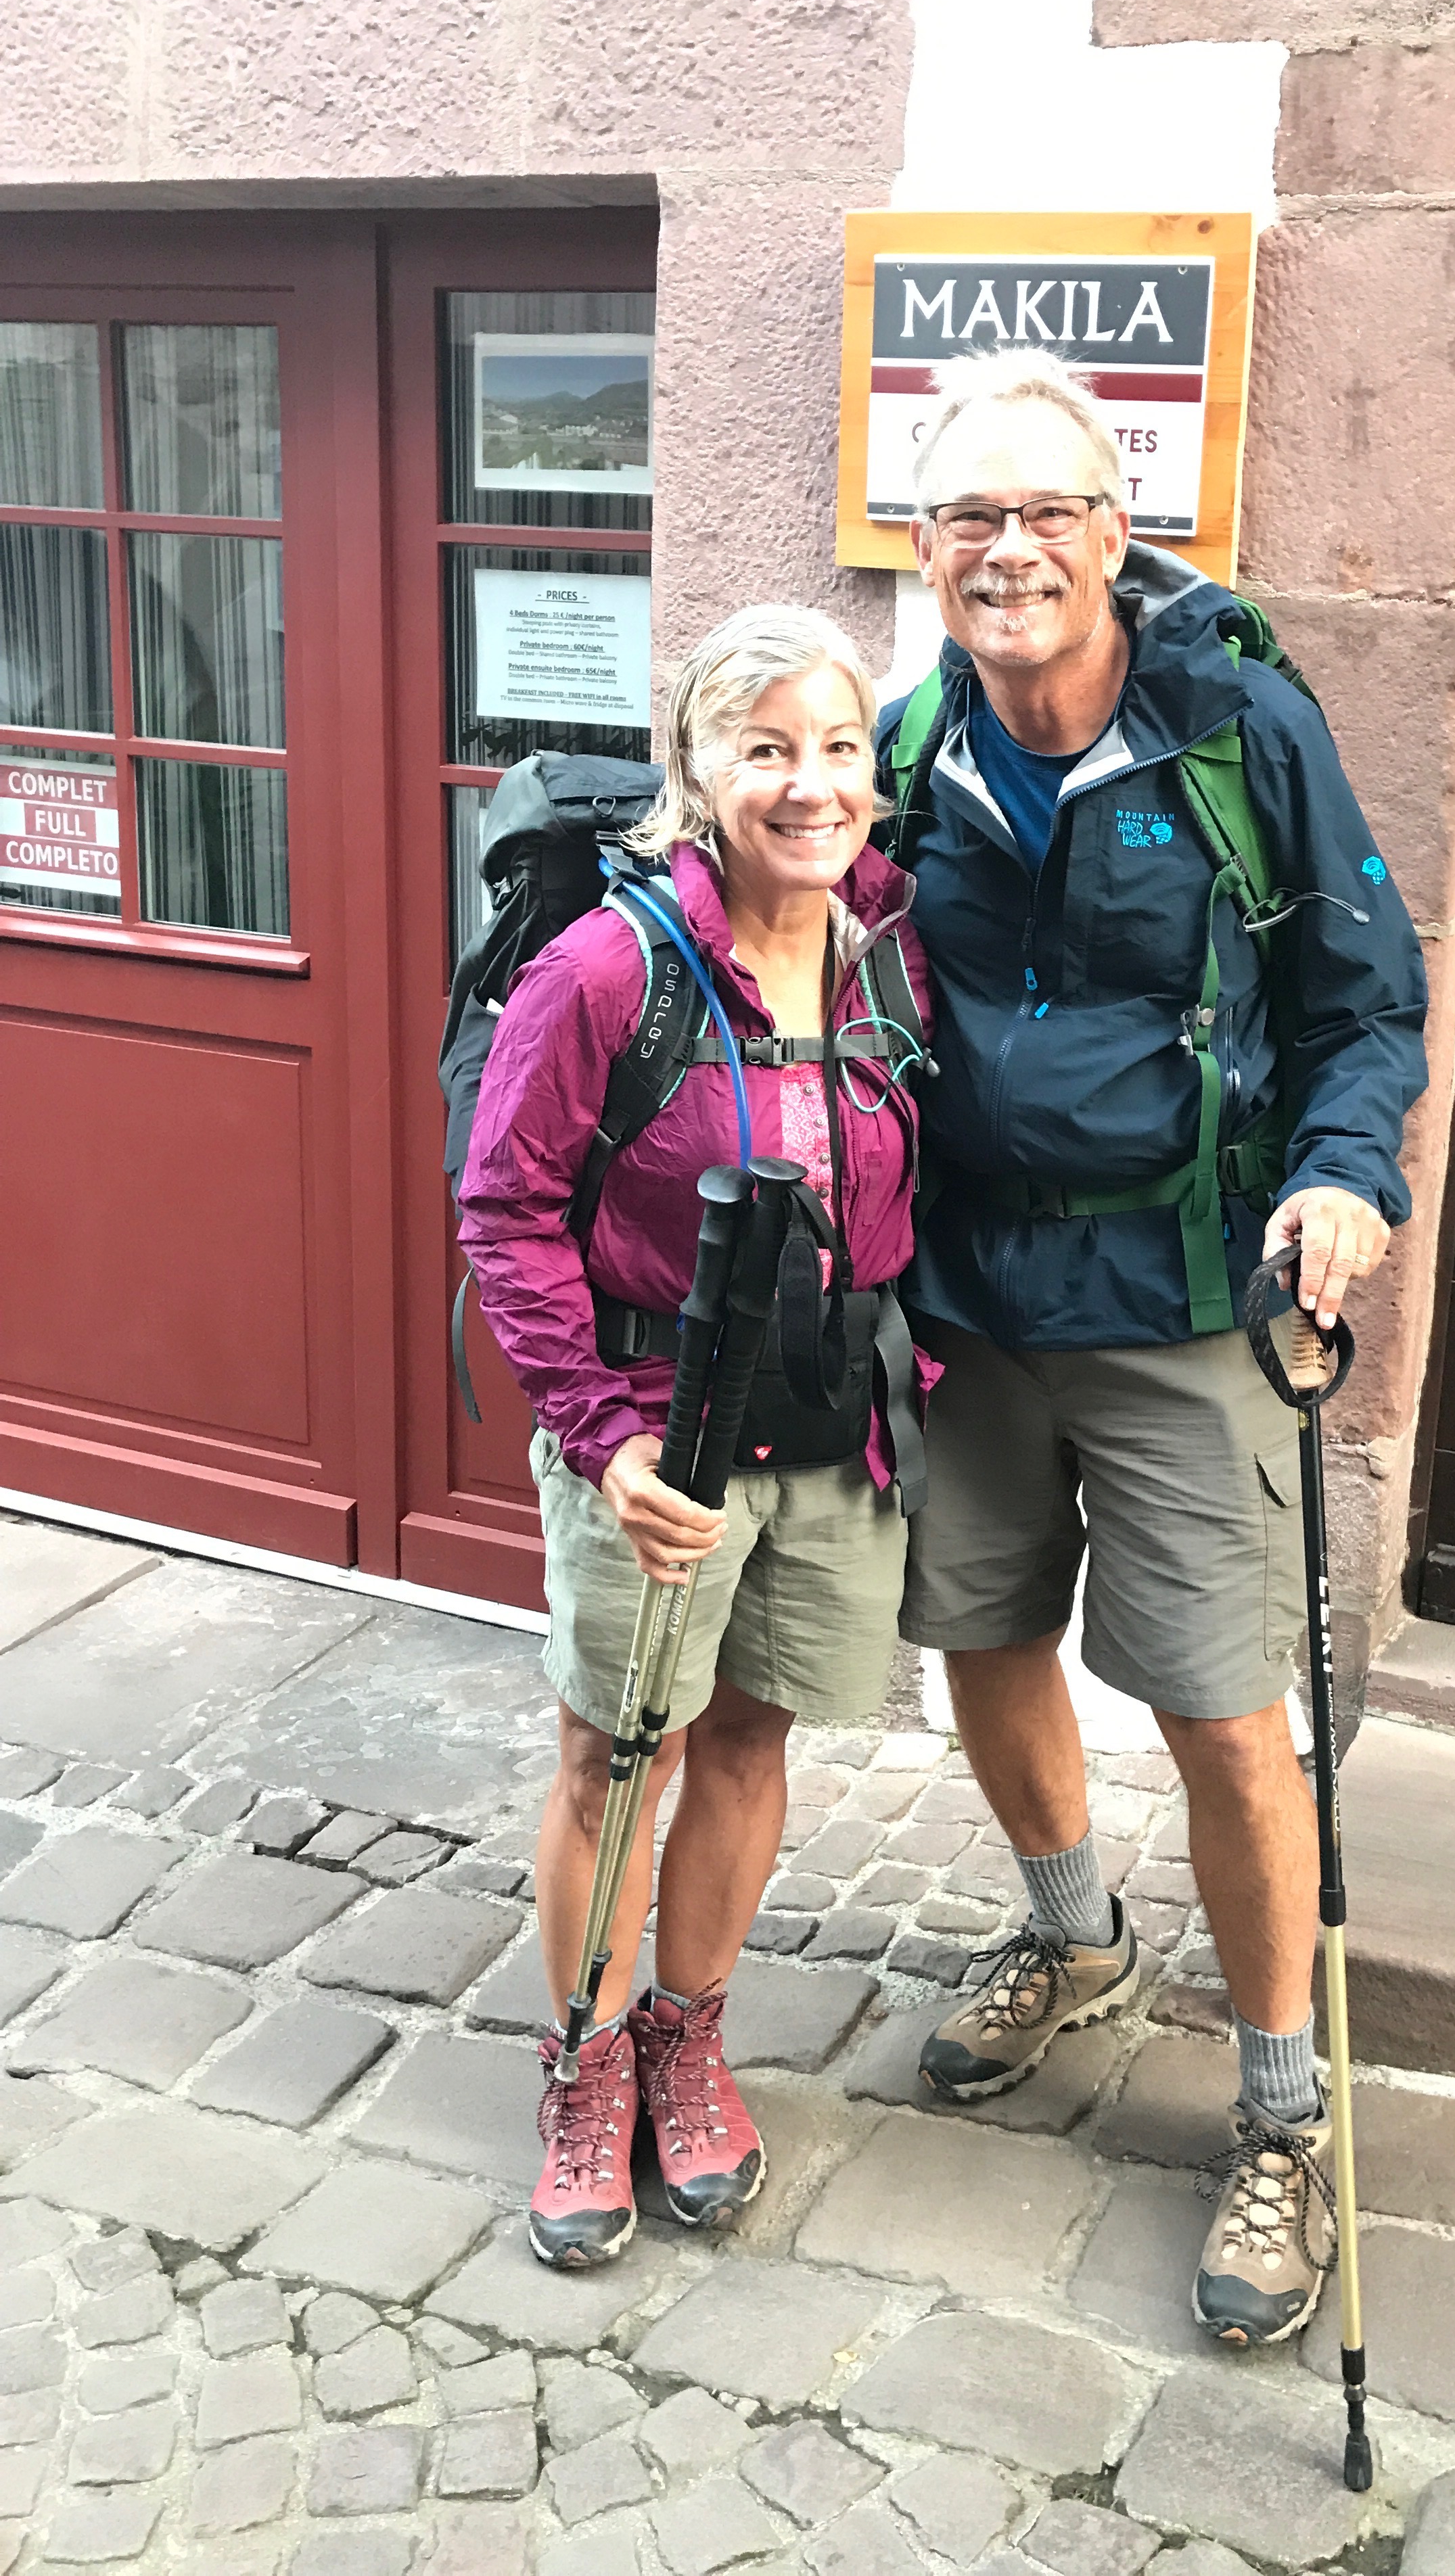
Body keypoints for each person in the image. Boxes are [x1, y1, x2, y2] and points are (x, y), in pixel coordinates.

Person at [879, 349, 1428, 2349]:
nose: (1009, 550)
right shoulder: (907, 739)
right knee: (983, 1636)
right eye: (970, 516)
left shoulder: (1238, 728)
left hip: (1189, 1301)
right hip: (965, 1293)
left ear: (1115, 533)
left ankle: (1281, 2114)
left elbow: (1365, 1001)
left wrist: (1345, 1176)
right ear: (925, 548)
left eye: (1048, 511)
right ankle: (1074, 1936)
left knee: (1222, 1712)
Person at [461, 605, 932, 2270]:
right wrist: (602, 1439)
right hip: (655, 1439)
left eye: (840, 749)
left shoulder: (891, 951)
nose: (813, 785)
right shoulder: (611, 970)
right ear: (696, 768)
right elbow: (506, 1211)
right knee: (620, 1754)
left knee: (747, 1738)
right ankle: (586, 2067)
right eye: (769, 750)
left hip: (832, 1429)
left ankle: (687, 2036)